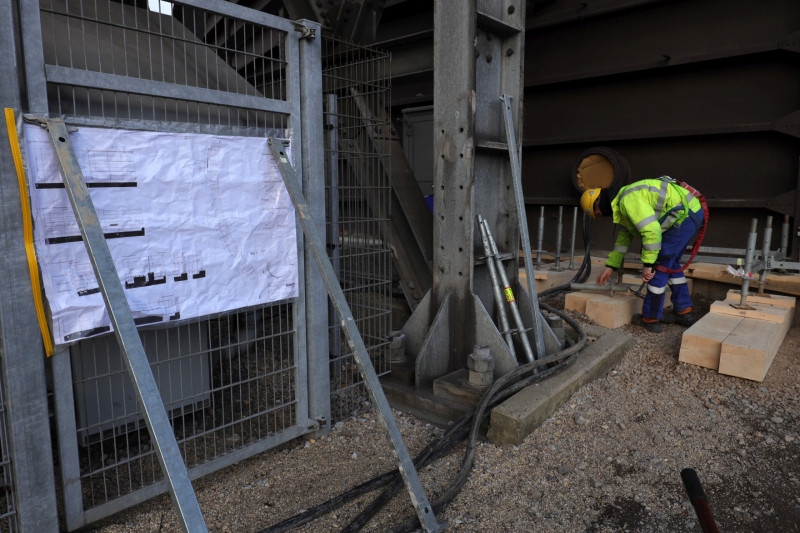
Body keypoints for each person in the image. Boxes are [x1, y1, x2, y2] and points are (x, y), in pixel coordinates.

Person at [580, 177, 705, 333]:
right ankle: (684, 312)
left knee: (658, 266)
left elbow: (651, 231)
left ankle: (650, 319)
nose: (600, 215)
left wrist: (648, 264)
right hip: (689, 213)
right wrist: (610, 267)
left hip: (684, 216)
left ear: (598, 202)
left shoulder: (628, 199)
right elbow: (624, 238)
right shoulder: (623, 202)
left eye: (596, 212)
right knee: (670, 264)